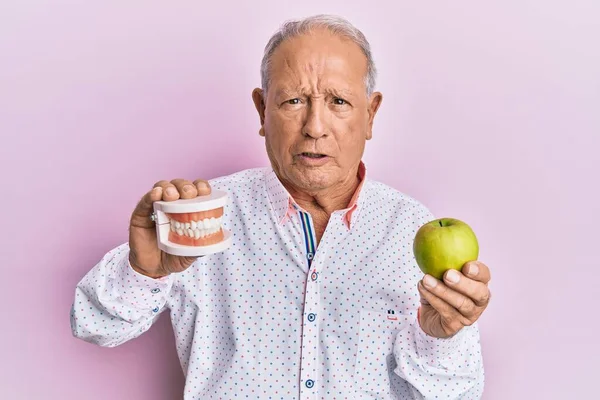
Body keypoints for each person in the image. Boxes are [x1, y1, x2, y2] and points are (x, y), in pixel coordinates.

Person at [71, 14, 491, 399]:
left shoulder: (410, 228)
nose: (314, 128)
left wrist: (442, 336)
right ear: (262, 109)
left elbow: (457, 396)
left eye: (338, 102)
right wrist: (144, 271)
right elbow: (92, 324)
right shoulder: (200, 217)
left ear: (371, 114)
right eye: (293, 101)